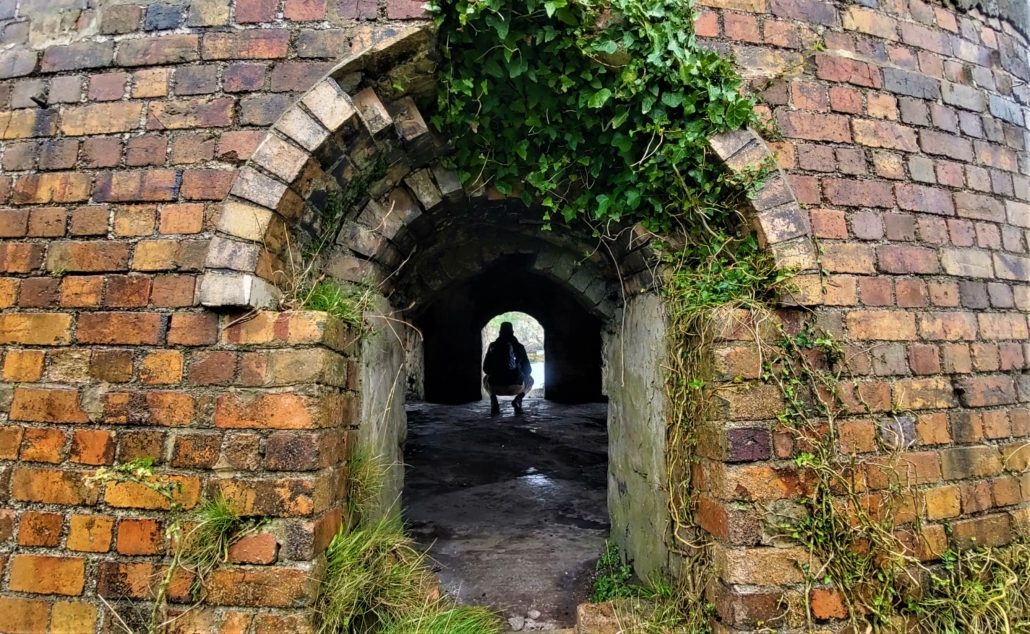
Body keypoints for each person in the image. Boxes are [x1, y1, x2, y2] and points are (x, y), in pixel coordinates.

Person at [483, 321, 534, 415]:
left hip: (495, 387)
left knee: (485, 378)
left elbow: (485, 369)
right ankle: (518, 400)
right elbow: (528, 370)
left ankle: (494, 401)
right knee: (530, 379)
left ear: (499, 332)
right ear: (512, 332)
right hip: (515, 387)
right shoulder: (520, 347)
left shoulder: (492, 346)